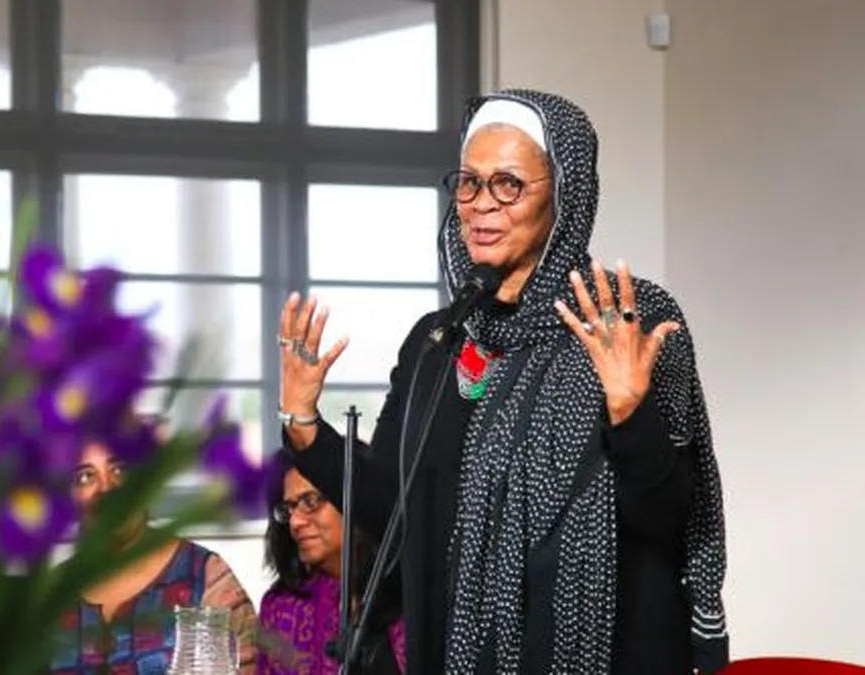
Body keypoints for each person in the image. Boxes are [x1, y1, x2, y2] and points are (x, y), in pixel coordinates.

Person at [275, 89, 728, 675]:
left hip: (611, 653)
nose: (480, 204)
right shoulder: (438, 341)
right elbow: (395, 505)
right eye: (469, 182)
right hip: (464, 653)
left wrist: (629, 411)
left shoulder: (623, 319)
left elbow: (670, 518)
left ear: (564, 194)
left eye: (509, 184)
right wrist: (304, 425)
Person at [49, 440, 258, 674]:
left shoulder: (205, 575)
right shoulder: (51, 594)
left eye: (119, 470)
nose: (107, 489)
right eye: (85, 477)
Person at [256, 452, 405, 674]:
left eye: (311, 502)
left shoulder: (411, 599)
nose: (295, 522)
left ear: (358, 502)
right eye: (288, 509)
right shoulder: (281, 608)